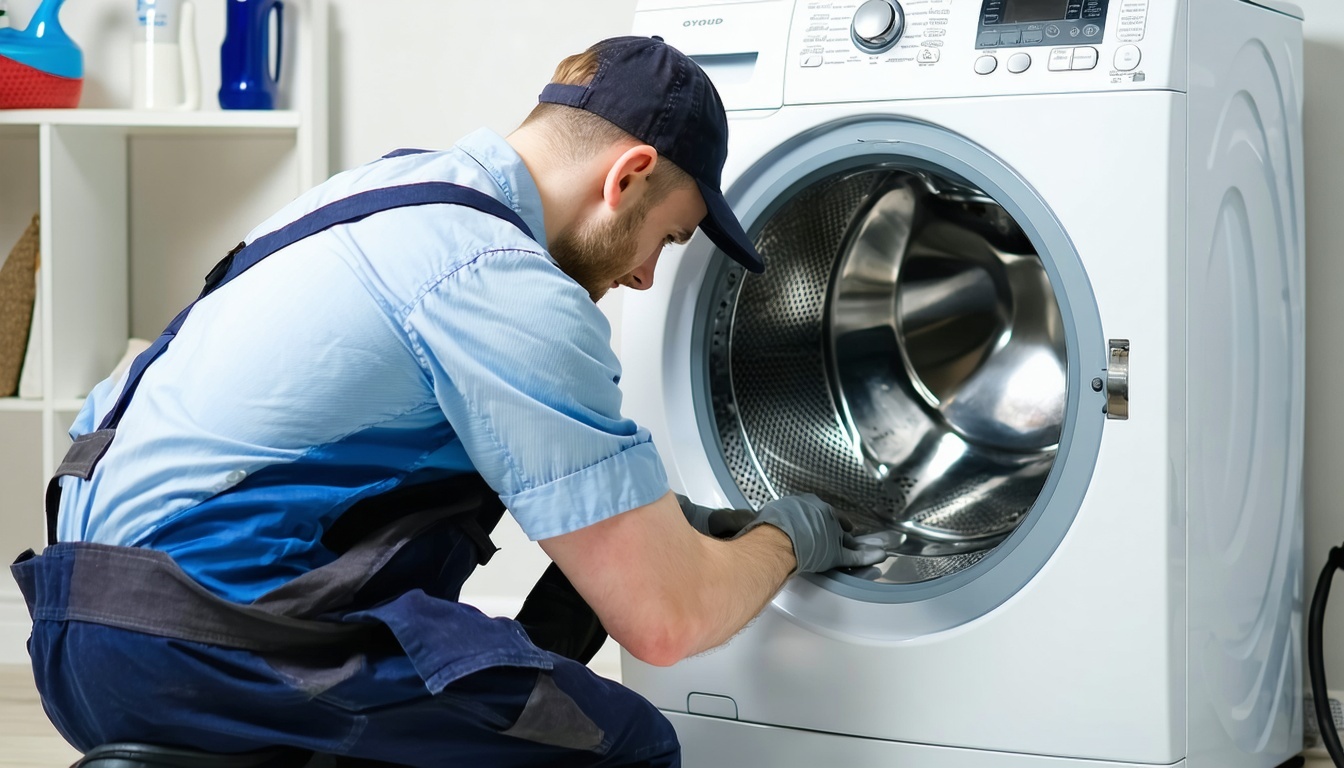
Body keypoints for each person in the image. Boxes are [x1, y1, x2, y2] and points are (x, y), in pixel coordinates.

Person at [11, 36, 884, 767]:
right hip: (211, 650)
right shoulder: (503, 281)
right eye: (668, 236)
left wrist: (663, 533)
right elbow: (666, 623)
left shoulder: (376, 196)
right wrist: (787, 539)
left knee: (510, 687)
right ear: (628, 176)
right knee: (627, 745)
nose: (648, 275)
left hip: (79, 631)